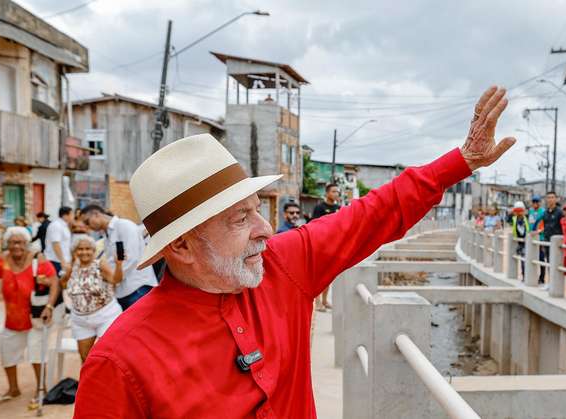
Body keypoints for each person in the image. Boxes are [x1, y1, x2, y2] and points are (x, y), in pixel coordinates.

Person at [73, 86, 515, 418]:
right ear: (182, 245)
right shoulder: (120, 362)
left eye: (258, 210)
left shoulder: (281, 266)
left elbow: (372, 214)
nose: (265, 229)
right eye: (241, 219)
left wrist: (463, 161)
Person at [0, 227, 59, 408]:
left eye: (20, 242)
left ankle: (41, 389)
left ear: (26, 243)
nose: (16, 246)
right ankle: (13, 389)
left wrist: (49, 306)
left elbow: (54, 281)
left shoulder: (37, 259)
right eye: (12, 242)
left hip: (35, 318)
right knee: (7, 355)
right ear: (7, 244)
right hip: (12, 320)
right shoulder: (3, 259)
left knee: (36, 355)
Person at [80, 205, 158, 311]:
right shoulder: (106, 235)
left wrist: (113, 278)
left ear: (96, 214)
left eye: (87, 222)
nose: (87, 227)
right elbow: (112, 262)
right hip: (122, 291)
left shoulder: (124, 226)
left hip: (137, 288)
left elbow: (132, 259)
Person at [60, 235, 123, 362]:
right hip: (81, 320)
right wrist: (67, 271)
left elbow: (116, 280)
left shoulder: (100, 264)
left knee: (110, 356)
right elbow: (63, 284)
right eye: (80, 249)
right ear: (75, 251)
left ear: (93, 251)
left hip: (106, 316)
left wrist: (119, 265)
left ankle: (109, 382)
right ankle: (90, 382)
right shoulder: (72, 267)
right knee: (85, 358)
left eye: (88, 248)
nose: (84, 252)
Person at [310, 184, 342, 312]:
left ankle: (324, 300)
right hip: (321, 244)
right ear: (327, 193)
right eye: (334, 191)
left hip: (334, 244)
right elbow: (314, 225)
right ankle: (317, 302)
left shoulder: (338, 208)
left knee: (329, 275)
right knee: (319, 274)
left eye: (337, 192)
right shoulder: (319, 207)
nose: (336, 194)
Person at [539, 191, 563, 288]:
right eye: (548, 197)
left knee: (556, 263)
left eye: (552, 197)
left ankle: (556, 285)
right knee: (549, 261)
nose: (550, 199)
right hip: (547, 241)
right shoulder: (545, 213)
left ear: (556, 199)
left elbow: (563, 226)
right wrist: (539, 232)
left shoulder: (560, 212)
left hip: (557, 243)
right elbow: (546, 226)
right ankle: (550, 283)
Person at [45, 207, 73, 275]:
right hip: (55, 261)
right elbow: (56, 244)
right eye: (72, 214)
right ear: (65, 215)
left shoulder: (64, 225)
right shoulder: (56, 225)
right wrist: (62, 261)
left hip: (62, 261)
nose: (73, 217)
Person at [510, 201, 528, 276]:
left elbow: (528, 228)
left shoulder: (526, 218)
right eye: (517, 211)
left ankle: (526, 275)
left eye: (520, 211)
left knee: (526, 259)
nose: (518, 213)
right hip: (519, 242)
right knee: (522, 259)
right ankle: (524, 274)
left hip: (526, 241)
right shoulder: (514, 218)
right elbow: (508, 219)